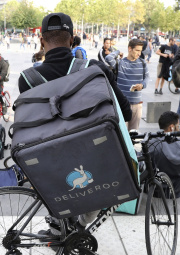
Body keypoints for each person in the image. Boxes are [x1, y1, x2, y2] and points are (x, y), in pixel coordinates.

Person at [18, 12, 132, 237]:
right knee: (101, 180)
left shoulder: (27, 79)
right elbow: (126, 111)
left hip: (49, 159)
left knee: (55, 179)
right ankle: (80, 227)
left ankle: (56, 226)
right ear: (72, 40)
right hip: (90, 154)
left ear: (41, 41)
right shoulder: (94, 68)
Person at [105, 38, 148, 131]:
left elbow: (147, 78)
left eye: (140, 51)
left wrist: (142, 85)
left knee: (134, 133)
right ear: (129, 49)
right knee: (122, 134)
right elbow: (108, 58)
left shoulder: (143, 63)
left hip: (137, 104)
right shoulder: (121, 63)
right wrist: (118, 51)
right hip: (122, 104)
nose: (139, 53)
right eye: (137, 50)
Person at [149, 111, 180, 197]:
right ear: (171, 127)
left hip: (152, 190)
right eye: (178, 126)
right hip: (175, 190)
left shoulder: (149, 143)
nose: (179, 129)